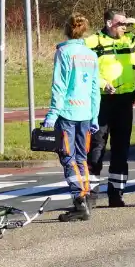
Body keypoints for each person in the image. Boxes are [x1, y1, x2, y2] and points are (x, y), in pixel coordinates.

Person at [85, 9, 135, 207]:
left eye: (126, 24)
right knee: (97, 147)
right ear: (110, 23)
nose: (125, 27)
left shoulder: (129, 40)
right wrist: (102, 83)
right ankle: (90, 194)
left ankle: (116, 194)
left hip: (125, 101)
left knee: (121, 149)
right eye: (121, 24)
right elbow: (84, 69)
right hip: (102, 100)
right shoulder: (93, 42)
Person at [42, 14, 101, 222]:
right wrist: (95, 116)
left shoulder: (64, 52)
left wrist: (52, 114)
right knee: (82, 158)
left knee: (68, 158)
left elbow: (59, 86)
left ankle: (79, 200)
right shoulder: (91, 55)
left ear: (66, 29)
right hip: (85, 113)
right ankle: (85, 196)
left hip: (67, 112)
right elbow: (95, 89)